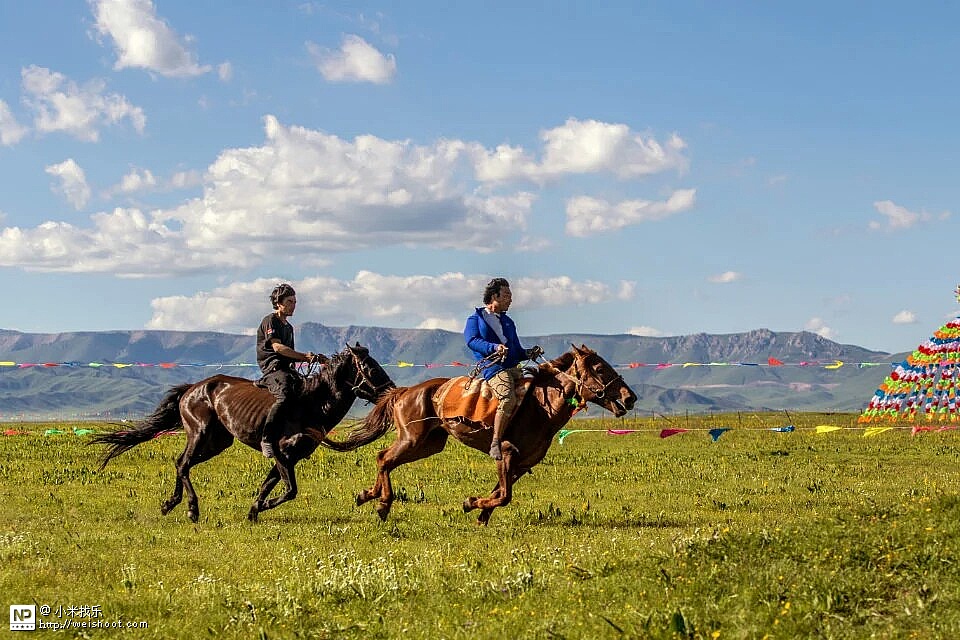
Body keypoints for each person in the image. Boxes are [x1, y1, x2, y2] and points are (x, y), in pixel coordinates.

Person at [464, 277, 542, 460]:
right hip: (494, 368)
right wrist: (494, 348)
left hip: (513, 367)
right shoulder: (475, 319)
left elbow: (516, 350)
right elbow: (472, 340)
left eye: (510, 295)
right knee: (507, 398)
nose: (511, 299)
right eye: (506, 295)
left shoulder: (508, 322)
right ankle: (495, 442)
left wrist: (528, 353)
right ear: (494, 296)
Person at [256, 283, 326, 459]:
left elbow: (290, 354)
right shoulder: (270, 321)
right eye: (289, 301)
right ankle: (266, 439)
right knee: (284, 396)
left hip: (287, 369)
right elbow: (278, 348)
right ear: (278, 302)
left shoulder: (288, 327)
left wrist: (314, 358)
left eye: (295, 302)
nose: (293, 305)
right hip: (273, 368)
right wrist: (304, 357)